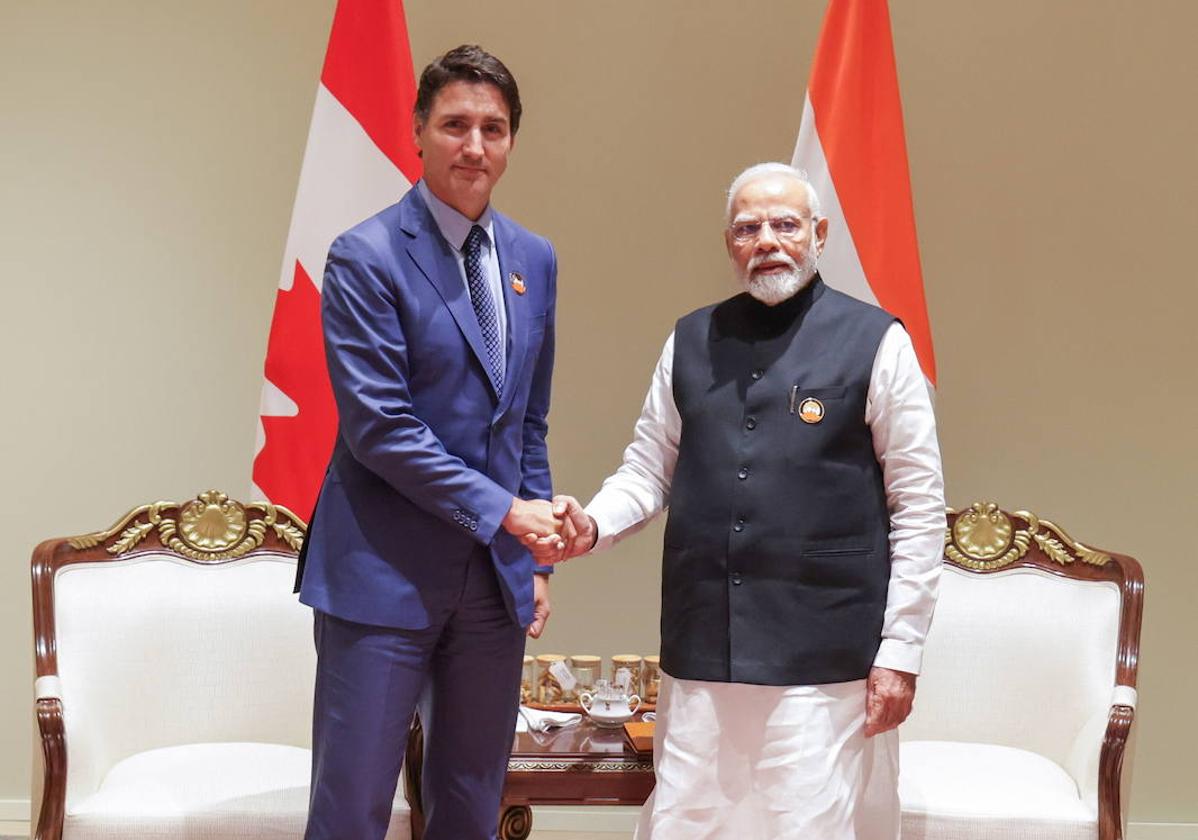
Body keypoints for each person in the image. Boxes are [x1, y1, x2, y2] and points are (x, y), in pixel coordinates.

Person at [532, 162, 946, 839]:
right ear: (730, 244)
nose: (768, 241)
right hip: (703, 650)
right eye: (748, 228)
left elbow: (920, 507)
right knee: (689, 823)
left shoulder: (877, 342)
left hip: (824, 660)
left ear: (819, 233)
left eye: (785, 225)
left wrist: (900, 651)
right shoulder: (691, 339)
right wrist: (592, 526)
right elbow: (646, 469)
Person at [295, 45, 564, 840]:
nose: (474, 146)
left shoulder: (534, 259)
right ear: (418, 131)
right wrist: (507, 513)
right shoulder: (364, 255)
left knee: (471, 806)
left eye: (494, 127)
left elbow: (527, 422)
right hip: (381, 578)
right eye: (455, 125)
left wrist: (537, 557)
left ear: (512, 140)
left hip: (493, 587)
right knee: (352, 810)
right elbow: (380, 427)